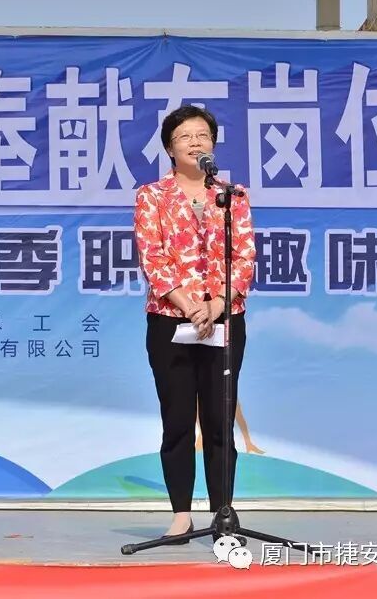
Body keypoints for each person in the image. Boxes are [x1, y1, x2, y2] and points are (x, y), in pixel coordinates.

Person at [133, 105, 256, 541]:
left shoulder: (232, 196)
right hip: (170, 320)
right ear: (170, 148)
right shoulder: (151, 196)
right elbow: (153, 258)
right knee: (179, 420)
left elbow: (244, 256)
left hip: (225, 320)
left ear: (213, 144)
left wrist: (218, 304)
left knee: (220, 422)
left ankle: (224, 513)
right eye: (185, 137)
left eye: (202, 135)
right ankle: (181, 514)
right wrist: (190, 306)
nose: (195, 142)